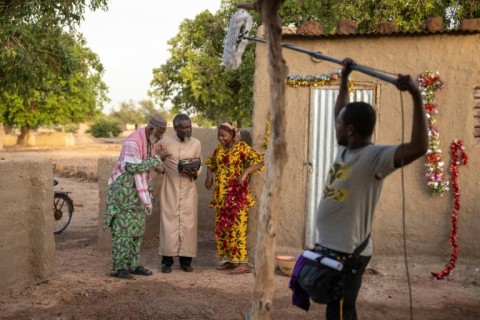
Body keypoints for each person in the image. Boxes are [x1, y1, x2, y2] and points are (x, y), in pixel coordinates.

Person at [313, 58, 429, 319]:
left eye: (340, 124)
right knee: (335, 307)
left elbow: (419, 147)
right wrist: (344, 77)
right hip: (331, 249)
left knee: (341, 310)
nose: (336, 126)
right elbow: (340, 111)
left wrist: (416, 96)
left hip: (349, 253)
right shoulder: (345, 149)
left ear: (351, 130)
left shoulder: (376, 157)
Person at [104, 115, 168, 279]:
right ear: (151, 129)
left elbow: (148, 168)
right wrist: (157, 160)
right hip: (124, 193)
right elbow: (132, 167)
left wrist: (152, 185)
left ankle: (133, 264)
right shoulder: (133, 141)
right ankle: (119, 267)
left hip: (138, 193)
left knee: (137, 230)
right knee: (122, 230)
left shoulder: (149, 143)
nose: (161, 136)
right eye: (160, 132)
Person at [204, 121, 264, 275]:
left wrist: (245, 173)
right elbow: (211, 162)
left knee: (238, 228)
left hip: (237, 196)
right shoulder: (219, 150)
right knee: (223, 228)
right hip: (221, 197)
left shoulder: (242, 148)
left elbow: (259, 161)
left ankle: (243, 263)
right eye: (219, 136)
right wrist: (209, 174)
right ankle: (229, 260)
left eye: (223, 136)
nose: (221, 138)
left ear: (232, 135)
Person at [156, 114, 202, 273]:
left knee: (188, 226)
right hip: (171, 190)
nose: (188, 129)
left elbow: (199, 163)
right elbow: (153, 158)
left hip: (189, 190)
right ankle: (166, 262)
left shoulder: (196, 143)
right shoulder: (164, 142)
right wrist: (160, 167)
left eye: (190, 126)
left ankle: (186, 262)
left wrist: (194, 172)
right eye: (184, 127)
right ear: (176, 128)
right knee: (169, 225)